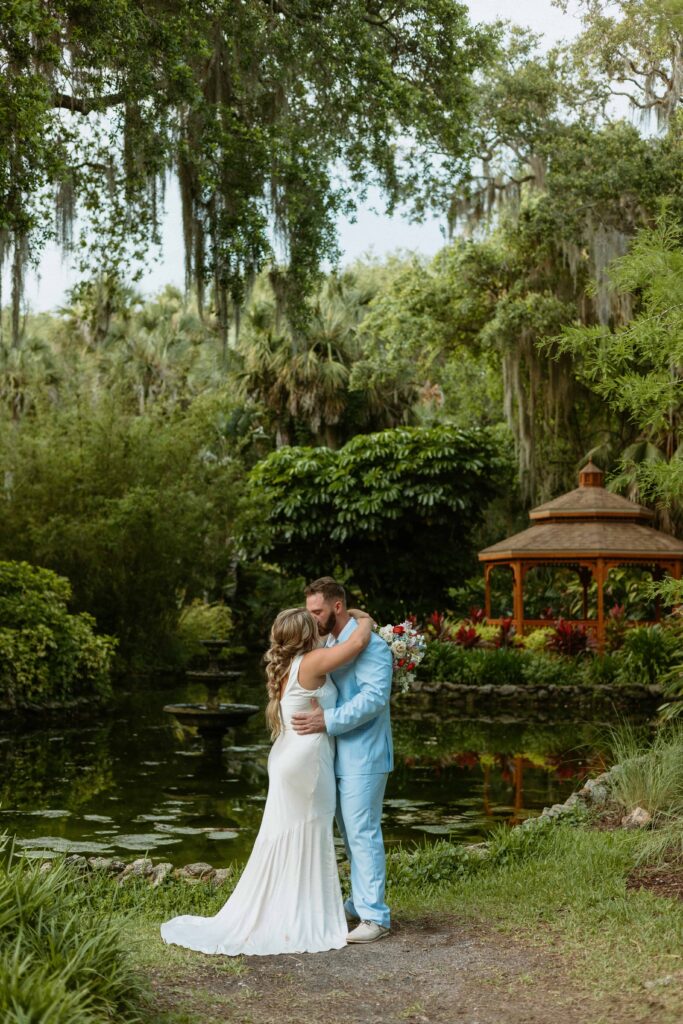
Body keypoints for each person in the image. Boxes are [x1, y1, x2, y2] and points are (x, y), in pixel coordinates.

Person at [160, 604, 374, 956]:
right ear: (306, 634)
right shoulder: (312, 661)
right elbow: (355, 645)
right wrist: (364, 619)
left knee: (289, 833)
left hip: (289, 758)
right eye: (314, 624)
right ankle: (299, 915)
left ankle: (288, 908)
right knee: (311, 830)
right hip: (308, 761)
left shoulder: (287, 666)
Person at [292, 577, 393, 944]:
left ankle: (376, 917)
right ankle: (360, 901)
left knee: (363, 833)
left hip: (365, 755)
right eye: (309, 611)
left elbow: (374, 699)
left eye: (317, 611)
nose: (312, 618)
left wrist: (327, 720)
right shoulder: (336, 642)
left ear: (337, 607)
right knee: (350, 836)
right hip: (338, 755)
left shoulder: (374, 648)